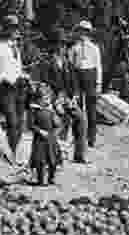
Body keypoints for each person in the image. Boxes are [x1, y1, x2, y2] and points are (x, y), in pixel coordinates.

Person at [40, 29, 87, 163]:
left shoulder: (68, 63)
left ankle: (79, 154)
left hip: (66, 99)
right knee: (59, 119)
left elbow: (74, 84)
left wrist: (73, 98)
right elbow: (45, 86)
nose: (63, 48)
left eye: (64, 45)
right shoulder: (47, 63)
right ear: (54, 46)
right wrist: (55, 101)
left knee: (81, 118)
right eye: (60, 45)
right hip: (52, 101)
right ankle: (57, 154)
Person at [0, 15, 30, 155]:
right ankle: (9, 153)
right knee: (12, 122)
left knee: (20, 123)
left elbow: (17, 68)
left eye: (16, 28)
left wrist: (23, 75)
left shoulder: (16, 48)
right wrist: (3, 79)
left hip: (20, 87)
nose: (15, 31)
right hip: (6, 89)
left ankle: (12, 152)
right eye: (11, 28)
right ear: (5, 29)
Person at [69, 20, 102, 149]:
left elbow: (98, 66)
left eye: (86, 32)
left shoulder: (94, 48)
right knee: (78, 108)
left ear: (89, 34)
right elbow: (71, 66)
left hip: (91, 76)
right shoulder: (74, 48)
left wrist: (98, 83)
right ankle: (78, 136)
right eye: (81, 32)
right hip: (78, 76)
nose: (83, 35)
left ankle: (91, 138)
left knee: (91, 108)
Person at [28, 83, 63, 186]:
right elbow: (30, 125)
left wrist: (56, 132)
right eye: (44, 99)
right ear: (38, 99)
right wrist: (40, 131)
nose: (46, 101)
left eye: (48, 98)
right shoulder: (34, 110)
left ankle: (51, 178)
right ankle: (41, 179)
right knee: (40, 160)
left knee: (53, 160)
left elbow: (58, 124)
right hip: (40, 139)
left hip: (51, 138)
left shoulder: (51, 110)